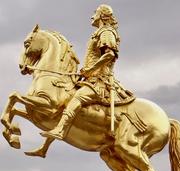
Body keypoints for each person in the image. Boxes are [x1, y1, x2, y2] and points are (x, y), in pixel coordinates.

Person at [41, 4, 134, 140]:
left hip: (100, 82)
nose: (92, 16)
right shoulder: (99, 33)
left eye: (95, 13)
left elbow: (110, 55)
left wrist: (90, 69)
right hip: (91, 79)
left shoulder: (106, 32)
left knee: (76, 99)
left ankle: (60, 131)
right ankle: (45, 146)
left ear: (102, 15)